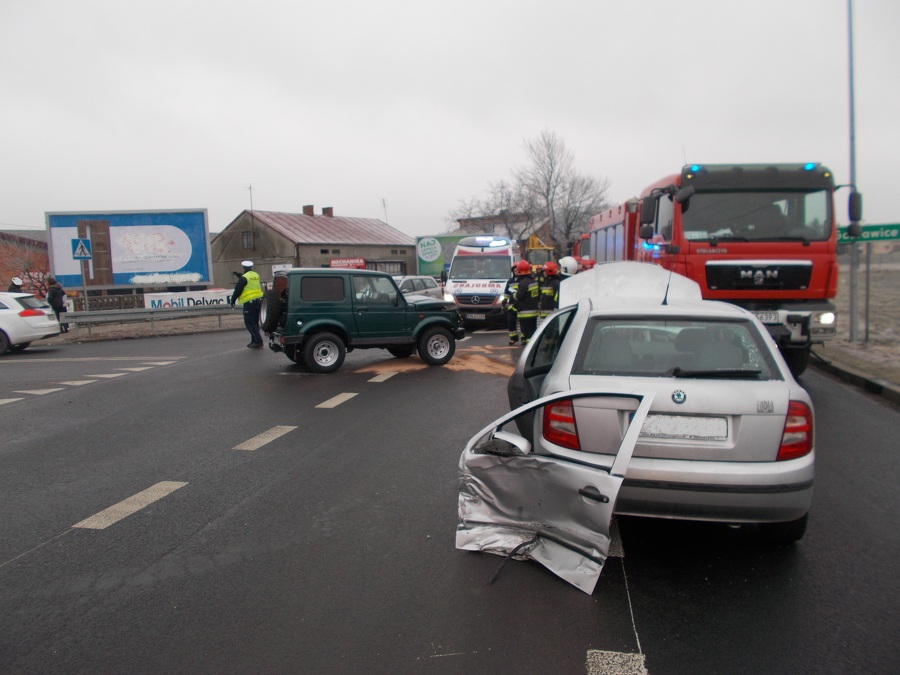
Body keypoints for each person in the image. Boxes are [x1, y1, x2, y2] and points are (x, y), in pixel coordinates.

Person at [231, 260, 264, 348]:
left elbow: (238, 290)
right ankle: (254, 340)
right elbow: (248, 280)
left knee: (249, 322)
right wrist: (240, 275)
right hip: (258, 301)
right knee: (255, 322)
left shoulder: (244, 278)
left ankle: (258, 341)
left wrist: (232, 300)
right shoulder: (255, 275)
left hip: (249, 303)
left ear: (244, 267)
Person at [514, 259, 539, 344]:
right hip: (534, 312)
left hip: (525, 312)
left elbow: (519, 296)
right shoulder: (533, 281)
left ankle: (529, 349)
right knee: (533, 331)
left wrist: (514, 295)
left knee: (528, 334)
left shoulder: (523, 283)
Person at [501, 264, 520, 345]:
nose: (516, 272)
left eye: (518, 270)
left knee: (523, 323)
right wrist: (504, 301)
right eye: (515, 271)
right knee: (511, 322)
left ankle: (524, 339)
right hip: (512, 305)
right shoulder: (510, 281)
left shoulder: (523, 280)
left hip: (521, 305)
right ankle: (513, 339)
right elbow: (506, 293)